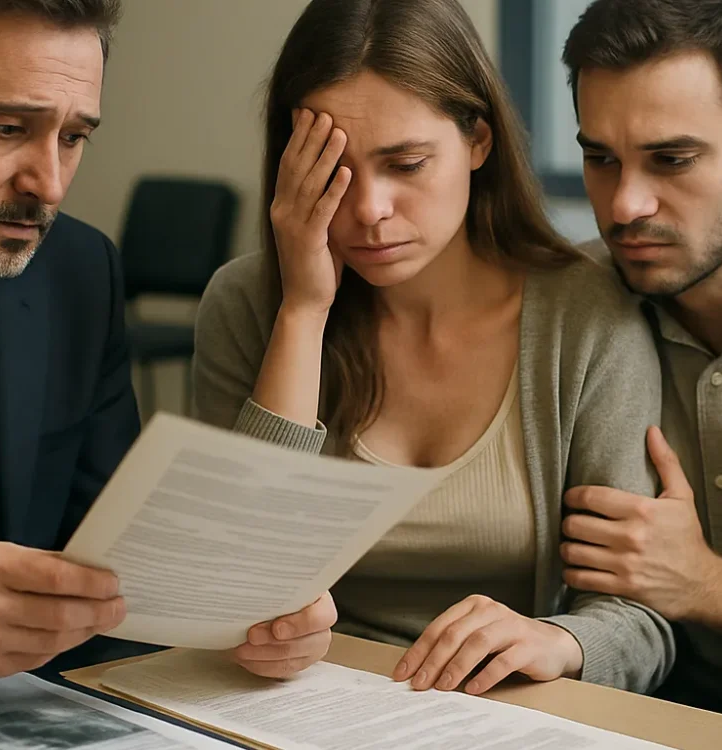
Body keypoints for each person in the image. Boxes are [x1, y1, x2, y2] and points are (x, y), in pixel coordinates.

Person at [0, 0, 334, 711]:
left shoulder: (79, 271)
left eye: (73, 137)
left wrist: (245, 616)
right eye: (7, 129)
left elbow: (114, 556)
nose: (50, 186)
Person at [193, 0, 675, 698]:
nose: (369, 211)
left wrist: (560, 639)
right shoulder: (246, 305)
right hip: (291, 704)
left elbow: (644, 619)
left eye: (407, 164)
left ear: (478, 139)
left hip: (498, 715)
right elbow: (228, 572)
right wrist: (304, 311)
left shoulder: (588, 316)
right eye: (334, 172)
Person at [557, 0, 722, 736]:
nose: (625, 205)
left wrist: (705, 583)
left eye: (672, 160)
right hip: (635, 703)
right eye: (600, 158)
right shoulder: (568, 309)